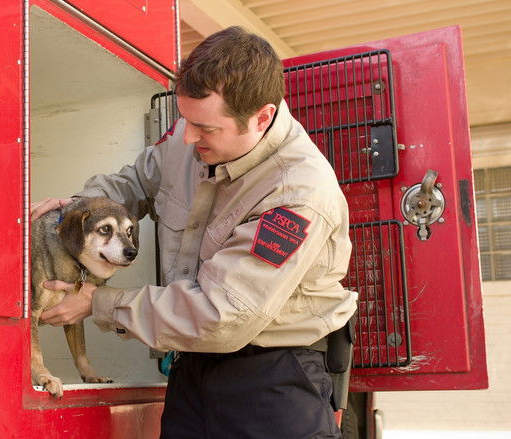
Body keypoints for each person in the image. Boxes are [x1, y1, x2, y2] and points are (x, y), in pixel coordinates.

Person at [31, 26, 357, 438]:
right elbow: (133, 182)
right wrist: (80, 208)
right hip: (192, 369)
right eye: (185, 120)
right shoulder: (192, 139)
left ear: (262, 117)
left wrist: (99, 303)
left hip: (272, 381)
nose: (187, 137)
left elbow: (221, 316)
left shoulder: (297, 195)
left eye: (205, 128)